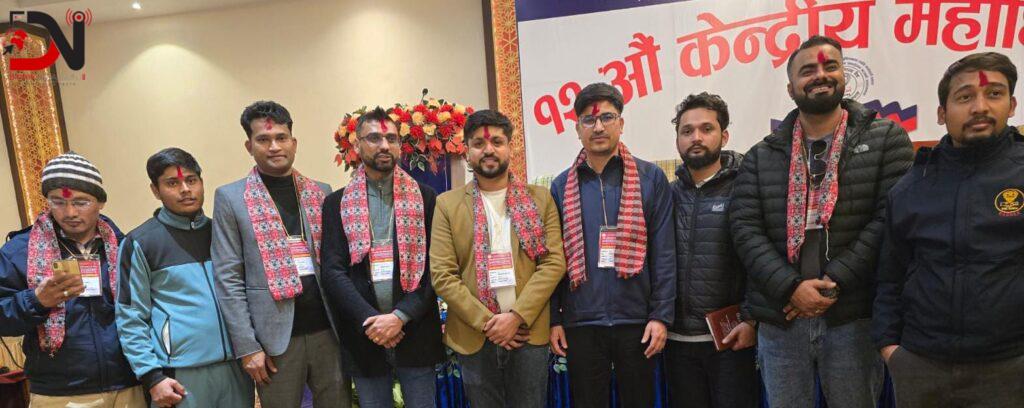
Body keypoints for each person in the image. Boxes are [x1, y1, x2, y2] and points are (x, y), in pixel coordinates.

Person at [729, 35, 913, 408]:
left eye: (830, 66)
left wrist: (834, 283)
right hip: (782, 317)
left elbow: (889, 219)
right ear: (791, 87)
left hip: (852, 315)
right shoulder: (762, 154)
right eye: (807, 70)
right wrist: (791, 287)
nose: (820, 76)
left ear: (844, 75)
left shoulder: (886, 138)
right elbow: (745, 229)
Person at [873, 52, 1024, 407]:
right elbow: (889, 277)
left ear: (1013, 105)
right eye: (965, 97)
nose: (979, 107)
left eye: (994, 94)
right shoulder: (911, 187)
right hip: (921, 366)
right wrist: (891, 350)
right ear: (942, 113)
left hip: (1010, 366)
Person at [549, 82, 677, 408]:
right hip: (582, 322)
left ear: (621, 123)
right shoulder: (561, 186)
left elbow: (664, 253)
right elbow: (552, 260)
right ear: (577, 128)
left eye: (607, 117)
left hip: (637, 322)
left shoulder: (651, 178)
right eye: (589, 120)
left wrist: (661, 316)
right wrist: (554, 320)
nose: (598, 127)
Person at [212, 101, 347, 407]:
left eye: (281, 138)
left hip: (328, 331)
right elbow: (228, 277)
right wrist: (247, 346)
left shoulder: (321, 192)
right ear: (249, 146)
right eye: (263, 139)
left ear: (293, 143)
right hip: (273, 340)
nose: (274, 147)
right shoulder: (231, 198)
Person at [431, 109, 566, 408]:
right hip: (474, 334)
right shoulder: (447, 205)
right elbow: (442, 274)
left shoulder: (540, 198)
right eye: (479, 143)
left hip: (527, 331)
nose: (488, 149)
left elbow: (553, 262)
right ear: (467, 151)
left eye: (497, 141)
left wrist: (515, 317)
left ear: (510, 147)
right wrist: (489, 323)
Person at [320, 107, 443, 408]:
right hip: (365, 334)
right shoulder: (336, 203)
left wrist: (400, 316)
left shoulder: (426, 197)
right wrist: (371, 321)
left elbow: (436, 267)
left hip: (415, 330)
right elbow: (333, 271)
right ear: (357, 144)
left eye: (391, 138)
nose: (384, 145)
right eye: (374, 138)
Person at [0, 152, 144, 407]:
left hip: (128, 385)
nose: (70, 212)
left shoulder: (124, 247)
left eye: (81, 202)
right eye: (58, 202)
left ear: (100, 202)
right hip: (59, 393)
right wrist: (35, 301)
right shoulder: (19, 251)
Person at [116, 148, 253, 408]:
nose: (185, 190)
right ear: (155, 190)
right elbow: (130, 316)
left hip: (236, 367)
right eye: (172, 183)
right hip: (179, 375)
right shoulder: (141, 242)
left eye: (191, 180)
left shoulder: (223, 232)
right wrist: (151, 376)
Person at [666, 92, 758, 408]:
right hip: (676, 343)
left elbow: (758, 260)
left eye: (706, 129)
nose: (696, 137)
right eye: (687, 131)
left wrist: (751, 320)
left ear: (724, 136)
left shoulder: (745, 189)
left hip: (731, 339)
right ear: (677, 140)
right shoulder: (666, 195)